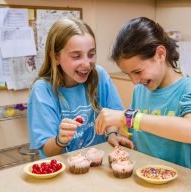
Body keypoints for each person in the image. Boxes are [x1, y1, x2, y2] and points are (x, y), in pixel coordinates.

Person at [95, 17, 191, 172]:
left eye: (138, 71)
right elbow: (141, 133)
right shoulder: (141, 91)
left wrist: (127, 117)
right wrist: (119, 136)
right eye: (128, 74)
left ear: (160, 54)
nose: (134, 81)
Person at [28, 17, 126, 158]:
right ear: (56, 57)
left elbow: (113, 114)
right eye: (76, 56)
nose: (87, 64)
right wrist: (60, 140)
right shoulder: (42, 90)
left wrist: (111, 133)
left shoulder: (99, 75)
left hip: (96, 164)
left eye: (91, 54)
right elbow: (47, 151)